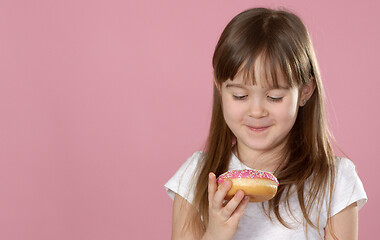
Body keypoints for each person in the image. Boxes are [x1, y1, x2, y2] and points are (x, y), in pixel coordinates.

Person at [164, 7, 367, 240]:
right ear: (220, 88)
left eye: (274, 98)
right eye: (240, 96)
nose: (257, 111)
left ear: (305, 92)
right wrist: (216, 234)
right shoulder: (196, 177)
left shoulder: (334, 181)